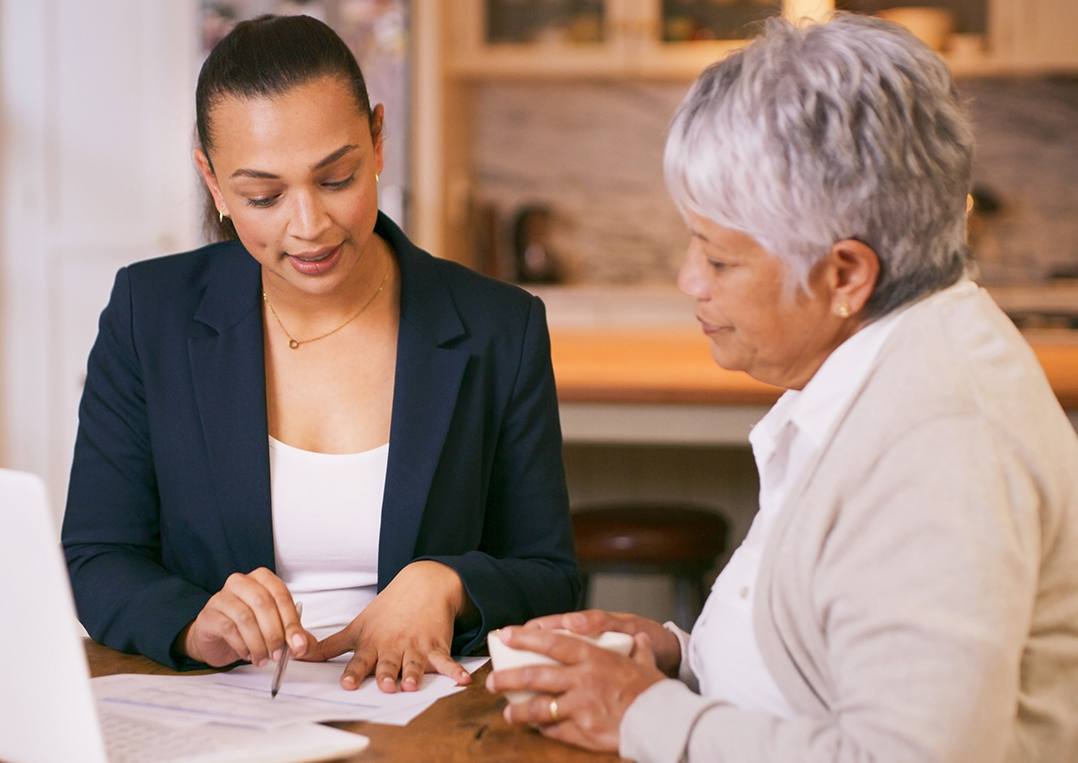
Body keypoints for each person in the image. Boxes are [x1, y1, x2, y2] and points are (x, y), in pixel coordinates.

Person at [486, 13, 1078, 761]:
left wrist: (648, 715)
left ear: (845, 275)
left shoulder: (943, 445)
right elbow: (820, 666)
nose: (688, 280)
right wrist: (676, 657)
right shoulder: (876, 362)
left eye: (720, 259)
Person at [61, 14, 579, 694]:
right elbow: (98, 555)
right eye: (263, 195)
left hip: (417, 709)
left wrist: (449, 582)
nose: (308, 226)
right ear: (213, 182)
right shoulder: (146, 313)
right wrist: (195, 623)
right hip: (221, 713)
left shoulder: (498, 327)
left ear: (378, 138)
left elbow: (551, 573)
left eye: (336, 178)